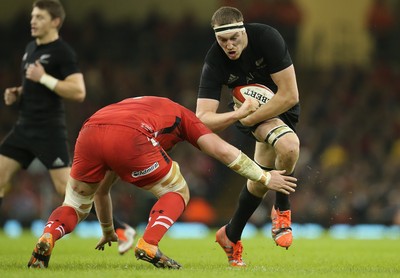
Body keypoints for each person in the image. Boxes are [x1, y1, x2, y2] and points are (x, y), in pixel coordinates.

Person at [27, 96, 297, 269]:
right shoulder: (187, 118)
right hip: (131, 135)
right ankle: (150, 243)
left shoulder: (146, 105)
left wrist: (109, 229)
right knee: (177, 190)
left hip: (91, 130)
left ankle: (49, 235)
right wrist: (264, 176)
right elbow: (224, 152)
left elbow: (103, 189)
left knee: (75, 203)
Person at [0, 0, 135, 255]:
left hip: (48, 131)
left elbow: (78, 91)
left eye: (40, 17)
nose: (33, 21)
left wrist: (45, 78)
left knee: (70, 191)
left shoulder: (62, 52)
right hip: (22, 128)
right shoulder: (31, 48)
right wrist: (19, 93)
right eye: (32, 16)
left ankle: (120, 229)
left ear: (55, 22)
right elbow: (36, 88)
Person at [196, 6, 300, 266]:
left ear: (244, 29)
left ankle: (230, 235)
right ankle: (282, 209)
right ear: (215, 38)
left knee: (259, 181)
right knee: (288, 147)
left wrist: (249, 117)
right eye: (222, 40)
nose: (229, 45)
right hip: (250, 112)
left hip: (279, 108)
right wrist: (237, 116)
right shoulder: (214, 60)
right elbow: (202, 119)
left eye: (234, 38)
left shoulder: (267, 38)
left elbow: (290, 96)